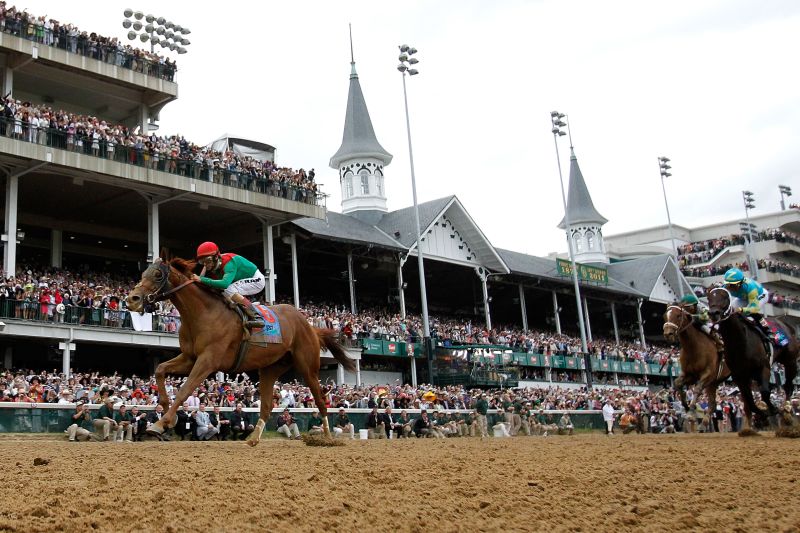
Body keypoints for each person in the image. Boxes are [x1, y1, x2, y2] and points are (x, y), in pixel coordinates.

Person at [192, 241, 265, 327]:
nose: (205, 265)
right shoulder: (215, 265)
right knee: (221, 292)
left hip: (256, 279)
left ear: (216, 257)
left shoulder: (228, 262)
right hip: (241, 280)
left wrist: (201, 279)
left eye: (208, 260)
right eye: (202, 262)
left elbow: (224, 284)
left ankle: (256, 316)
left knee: (229, 289)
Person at [723, 267, 775, 345]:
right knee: (730, 311)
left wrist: (741, 309)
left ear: (740, 283)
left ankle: (768, 331)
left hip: (760, 295)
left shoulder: (750, 288)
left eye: (732, 285)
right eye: (728, 285)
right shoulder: (726, 286)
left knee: (750, 313)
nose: (730, 288)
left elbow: (754, 308)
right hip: (743, 297)